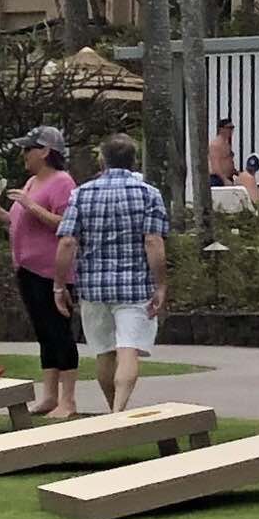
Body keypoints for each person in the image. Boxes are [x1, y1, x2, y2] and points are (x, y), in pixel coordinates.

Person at [63, 135, 171, 411]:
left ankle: (113, 408)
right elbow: (153, 241)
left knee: (104, 351)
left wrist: (57, 284)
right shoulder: (148, 193)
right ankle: (119, 409)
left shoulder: (81, 194)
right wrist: (160, 285)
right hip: (134, 284)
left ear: (102, 158)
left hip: (94, 286)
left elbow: (67, 241)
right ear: (134, 160)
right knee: (129, 349)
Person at [2, 129, 82, 419]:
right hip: (26, 267)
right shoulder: (33, 181)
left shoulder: (62, 183)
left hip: (51, 270)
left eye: (29, 149)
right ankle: (49, 395)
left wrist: (30, 205)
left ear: (45, 152)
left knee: (58, 331)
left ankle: (68, 399)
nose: (24, 155)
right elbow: (21, 221)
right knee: (44, 333)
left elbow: (65, 223)